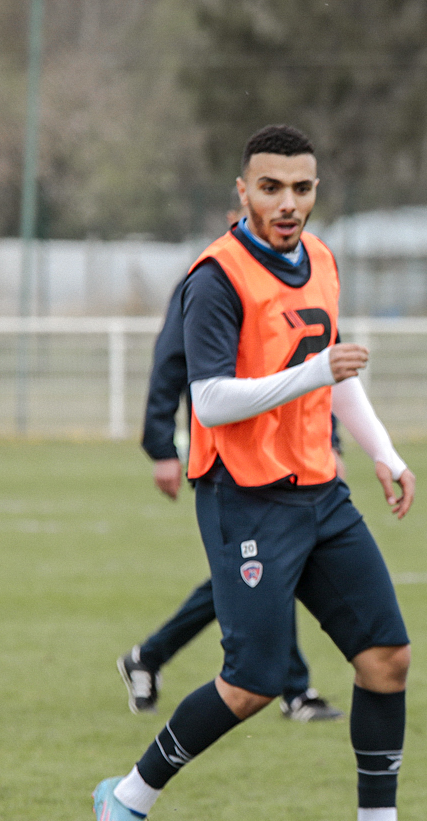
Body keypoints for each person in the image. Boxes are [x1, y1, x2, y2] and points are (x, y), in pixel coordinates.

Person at [90, 124, 427, 821]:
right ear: (242, 191)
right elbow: (215, 400)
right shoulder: (216, 279)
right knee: (252, 682)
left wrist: (384, 451)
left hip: (320, 490)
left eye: (301, 188)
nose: (287, 203)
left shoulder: (321, 260)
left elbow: (332, 372)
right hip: (245, 499)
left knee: (386, 658)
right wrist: (317, 371)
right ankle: (126, 799)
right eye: (271, 188)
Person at [116, 279, 343, 723]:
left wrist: (329, 440)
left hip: (293, 461)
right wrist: (161, 446)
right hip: (232, 466)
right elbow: (171, 362)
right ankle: (294, 691)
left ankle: (150, 655)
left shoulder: (302, 276)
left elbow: (318, 365)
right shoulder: (211, 279)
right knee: (262, 571)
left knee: (259, 573)